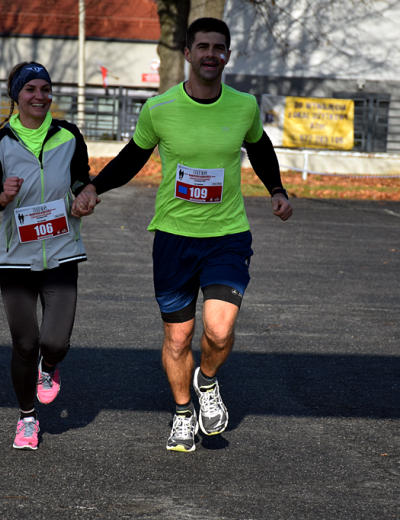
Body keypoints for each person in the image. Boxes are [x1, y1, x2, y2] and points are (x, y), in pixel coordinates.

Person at [72, 18, 293, 452]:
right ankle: (181, 413)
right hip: (173, 237)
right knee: (177, 338)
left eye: (219, 47)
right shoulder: (160, 109)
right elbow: (133, 156)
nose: (211, 54)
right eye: (203, 46)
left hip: (227, 235)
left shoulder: (244, 106)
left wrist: (277, 190)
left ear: (227, 55)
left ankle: (207, 382)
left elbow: (260, 147)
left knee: (219, 330)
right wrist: (95, 185)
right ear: (188, 54)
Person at [0, 62, 91, 450]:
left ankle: (51, 367)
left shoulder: (69, 136)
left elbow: (80, 179)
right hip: (16, 259)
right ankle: (27, 418)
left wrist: (85, 197)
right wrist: (3, 197)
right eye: (31, 90)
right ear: (16, 96)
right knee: (25, 344)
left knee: (54, 343)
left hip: (62, 254)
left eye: (45, 88)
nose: (40, 96)